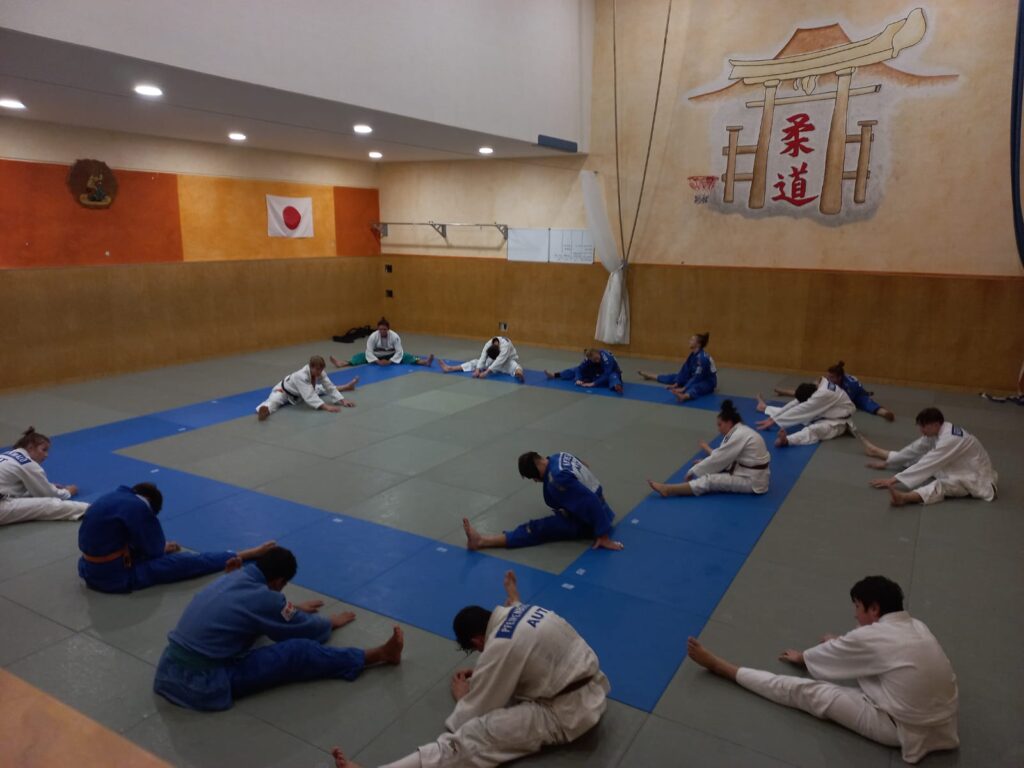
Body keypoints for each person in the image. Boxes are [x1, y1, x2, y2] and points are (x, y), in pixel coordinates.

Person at [331, 570, 609, 768]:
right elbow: (517, 626)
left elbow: (475, 710)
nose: (481, 654)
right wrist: (512, 596)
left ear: (477, 640)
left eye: (478, 650)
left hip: (566, 714)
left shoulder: (500, 646)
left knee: (472, 737)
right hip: (594, 688)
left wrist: (463, 696)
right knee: (512, 686)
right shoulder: (522, 612)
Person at [686, 576, 959, 764]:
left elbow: (853, 647)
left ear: (874, 608)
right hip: (944, 722)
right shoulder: (917, 625)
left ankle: (723, 668)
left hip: (901, 729)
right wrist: (838, 643)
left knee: (809, 692)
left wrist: (804, 658)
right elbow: (872, 649)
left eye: (858, 607)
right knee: (861, 663)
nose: (855, 614)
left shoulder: (870, 637)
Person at [153, 546, 403, 711]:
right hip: (202, 685)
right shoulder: (266, 599)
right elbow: (307, 630)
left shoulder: (234, 577)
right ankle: (379, 655)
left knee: (256, 629)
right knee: (299, 651)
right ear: (278, 581)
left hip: (168, 671)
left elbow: (259, 610)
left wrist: (293, 608)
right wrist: (329, 622)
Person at [78, 483, 277, 593]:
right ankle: (244, 554)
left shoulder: (115, 496)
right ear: (150, 505)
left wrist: (160, 547)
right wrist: (161, 548)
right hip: (115, 578)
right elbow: (154, 551)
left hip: (88, 569)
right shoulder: (139, 509)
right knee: (185, 562)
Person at [462, 451, 623, 551]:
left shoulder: (557, 478)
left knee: (537, 528)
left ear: (535, 473)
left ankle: (482, 541)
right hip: (602, 507)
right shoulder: (559, 456)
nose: (535, 481)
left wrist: (603, 535)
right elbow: (585, 465)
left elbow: (590, 500)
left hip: (592, 521)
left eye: (533, 478)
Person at [861, 407, 998, 506]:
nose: (921, 431)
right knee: (918, 458)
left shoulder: (951, 439)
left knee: (941, 485)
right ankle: (878, 452)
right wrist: (888, 463)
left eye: (923, 427)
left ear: (935, 424)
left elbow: (928, 463)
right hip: (954, 467)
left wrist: (893, 480)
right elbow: (914, 449)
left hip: (975, 479)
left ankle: (905, 497)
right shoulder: (939, 430)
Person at [648, 399, 770, 497]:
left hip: (753, 482)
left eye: (720, 425)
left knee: (710, 480)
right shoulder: (740, 430)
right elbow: (723, 456)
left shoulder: (738, 434)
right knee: (715, 468)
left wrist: (693, 470)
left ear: (729, 422)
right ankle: (669, 488)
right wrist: (705, 461)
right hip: (752, 473)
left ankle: (668, 489)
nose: (718, 429)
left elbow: (719, 457)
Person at [0, 427, 88, 526]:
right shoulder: (26, 463)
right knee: (48, 504)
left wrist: (48, 486)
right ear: (30, 447)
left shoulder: (5, 456)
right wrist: (68, 492)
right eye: (44, 450)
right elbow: (47, 494)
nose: (46, 455)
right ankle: (91, 509)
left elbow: (11, 488)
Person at [775, 361, 894, 421]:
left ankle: (885, 413)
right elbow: (818, 382)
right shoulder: (830, 379)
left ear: (839, 378)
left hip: (857, 395)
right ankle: (785, 391)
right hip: (839, 393)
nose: (829, 378)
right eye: (828, 376)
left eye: (831, 377)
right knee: (808, 392)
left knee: (868, 404)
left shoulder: (850, 385)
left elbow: (846, 401)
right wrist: (814, 386)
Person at [755, 378, 855, 447]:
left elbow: (800, 410)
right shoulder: (815, 387)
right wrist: (774, 418)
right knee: (794, 413)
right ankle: (765, 408)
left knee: (814, 430)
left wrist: (774, 420)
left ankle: (787, 440)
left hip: (837, 423)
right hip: (822, 414)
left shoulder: (822, 395)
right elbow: (797, 402)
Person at [256, 355, 357, 421]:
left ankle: (346, 387)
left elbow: (328, 386)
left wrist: (342, 400)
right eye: (317, 369)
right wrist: (327, 407)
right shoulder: (301, 376)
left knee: (321, 388)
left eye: (321, 370)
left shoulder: (319, 371)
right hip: (284, 391)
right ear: (311, 367)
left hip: (300, 392)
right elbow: (310, 396)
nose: (319, 372)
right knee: (275, 400)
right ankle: (264, 410)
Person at [638, 331, 717, 403]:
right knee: (674, 377)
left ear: (698, 344)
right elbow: (685, 369)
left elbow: (697, 377)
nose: (689, 341)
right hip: (694, 377)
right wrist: (677, 383)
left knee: (696, 387)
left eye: (692, 340)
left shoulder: (702, 358)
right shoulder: (693, 354)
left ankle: (684, 396)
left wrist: (684, 388)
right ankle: (650, 376)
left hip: (708, 381)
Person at [331, 317, 433, 368]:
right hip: (377, 355)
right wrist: (377, 361)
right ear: (378, 329)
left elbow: (399, 351)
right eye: (380, 329)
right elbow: (369, 351)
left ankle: (425, 362)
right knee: (360, 356)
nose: (382, 331)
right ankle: (341, 363)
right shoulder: (373, 336)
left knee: (407, 356)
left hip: (391, 354)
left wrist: (390, 361)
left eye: (384, 329)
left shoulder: (394, 336)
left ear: (388, 329)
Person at [438, 336, 524, 381]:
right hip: (493, 359)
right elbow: (483, 356)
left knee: (515, 366)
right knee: (476, 362)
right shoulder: (489, 344)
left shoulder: (505, 345)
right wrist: (478, 370)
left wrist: (486, 372)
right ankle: (450, 368)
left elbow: (499, 361)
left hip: (506, 360)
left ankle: (519, 373)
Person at [545, 348, 623, 394]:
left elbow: (607, 374)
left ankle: (616, 386)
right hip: (597, 372)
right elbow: (579, 368)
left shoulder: (607, 357)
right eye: (594, 360)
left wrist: (593, 384)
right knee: (575, 369)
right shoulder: (589, 358)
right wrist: (578, 379)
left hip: (611, 372)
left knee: (612, 376)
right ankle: (555, 375)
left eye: (597, 358)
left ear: (598, 353)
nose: (596, 361)